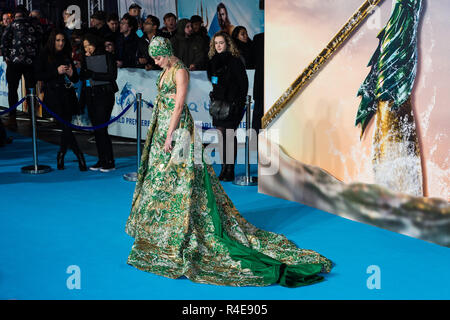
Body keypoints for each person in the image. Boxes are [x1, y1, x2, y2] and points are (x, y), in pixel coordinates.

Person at [125, 36, 333, 288]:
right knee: (160, 177)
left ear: (167, 52)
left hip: (177, 130)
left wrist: (170, 135)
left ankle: (186, 223)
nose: (156, 62)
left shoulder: (179, 72)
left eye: (158, 57)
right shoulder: (167, 69)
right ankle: (160, 224)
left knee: (183, 178)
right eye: (154, 58)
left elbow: (179, 106)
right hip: (162, 129)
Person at [34, 29, 87, 171]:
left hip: (67, 94)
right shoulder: (45, 55)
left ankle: (61, 154)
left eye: (63, 40)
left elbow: (75, 78)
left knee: (66, 127)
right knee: (66, 126)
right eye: (58, 40)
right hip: (53, 95)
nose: (61, 43)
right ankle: (79, 155)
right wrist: (55, 72)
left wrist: (71, 74)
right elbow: (37, 74)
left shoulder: (66, 54)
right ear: (53, 41)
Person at [207, 31, 247, 181]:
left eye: (221, 43)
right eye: (216, 43)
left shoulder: (235, 61)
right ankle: (224, 167)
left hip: (233, 104)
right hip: (218, 104)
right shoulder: (212, 61)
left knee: (229, 135)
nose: (218, 46)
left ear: (227, 44)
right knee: (221, 135)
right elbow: (213, 81)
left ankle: (230, 169)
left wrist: (237, 103)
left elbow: (243, 84)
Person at [80, 33, 118, 172]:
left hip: (105, 95)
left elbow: (112, 76)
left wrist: (93, 73)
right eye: (84, 46)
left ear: (95, 43)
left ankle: (110, 161)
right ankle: (101, 159)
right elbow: (82, 76)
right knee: (96, 130)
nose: (87, 48)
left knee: (102, 128)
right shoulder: (86, 58)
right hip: (91, 95)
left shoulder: (108, 56)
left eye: (89, 45)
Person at [0, 6, 42, 129]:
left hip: (14, 62)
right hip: (30, 63)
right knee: (31, 91)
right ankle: (32, 119)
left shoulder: (12, 25)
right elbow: (40, 40)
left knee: (13, 90)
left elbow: (3, 41)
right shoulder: (34, 25)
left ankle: (13, 119)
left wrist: (7, 57)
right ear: (26, 14)